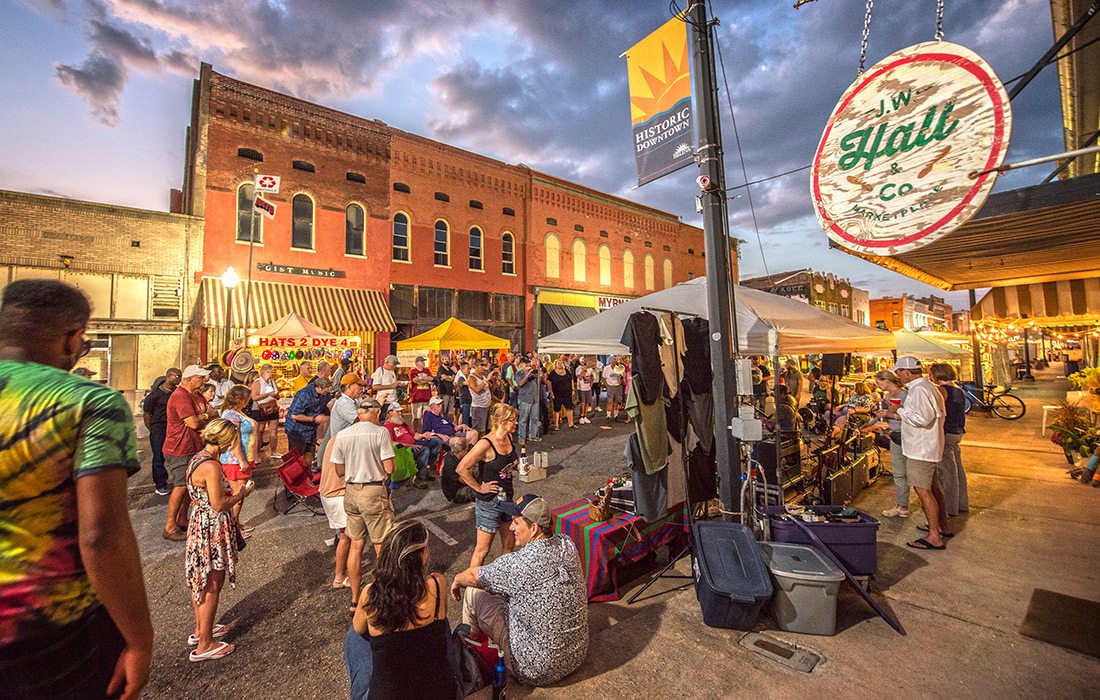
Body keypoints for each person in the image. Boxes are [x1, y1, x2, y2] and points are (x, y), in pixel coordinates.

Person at [0, 279, 152, 699]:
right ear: (72, 338)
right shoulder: (88, 401)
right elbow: (101, 534)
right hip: (48, 631)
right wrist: (138, 638)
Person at [450, 494, 588, 687]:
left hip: (534, 668)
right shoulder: (567, 544)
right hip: (575, 656)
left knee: (474, 593)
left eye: (516, 522)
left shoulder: (519, 564)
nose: (511, 528)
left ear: (533, 528)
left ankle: (469, 655)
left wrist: (456, 579)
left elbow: (473, 577)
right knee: (500, 592)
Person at [345, 519, 461, 699]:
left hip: (389, 694)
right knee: (441, 623)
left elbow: (359, 630)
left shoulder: (370, 594)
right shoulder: (437, 584)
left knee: (354, 636)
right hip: (443, 693)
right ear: (419, 556)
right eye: (426, 549)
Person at [185, 419, 254, 662]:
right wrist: (242, 494)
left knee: (200, 578)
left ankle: (201, 629)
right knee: (213, 583)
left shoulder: (197, 458)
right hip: (212, 527)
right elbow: (218, 504)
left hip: (199, 523)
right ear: (224, 441)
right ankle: (205, 644)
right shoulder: (212, 467)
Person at [327, 399, 396, 609]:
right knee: (381, 544)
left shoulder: (343, 435)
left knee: (356, 544)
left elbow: (338, 470)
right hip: (373, 490)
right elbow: (390, 468)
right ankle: (385, 594)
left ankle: (355, 599)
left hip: (351, 491)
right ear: (375, 412)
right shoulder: (380, 432)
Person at [877, 357, 948, 550]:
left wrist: (900, 411)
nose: (897, 376)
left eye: (898, 372)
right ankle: (941, 525)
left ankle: (934, 536)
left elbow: (922, 418)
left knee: (922, 490)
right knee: (933, 487)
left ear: (907, 373)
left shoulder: (919, 390)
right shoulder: (928, 387)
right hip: (928, 445)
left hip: (921, 447)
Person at [321, 398, 381, 591]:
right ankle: (340, 577)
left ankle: (343, 575)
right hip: (337, 492)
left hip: (329, 491)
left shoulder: (338, 438)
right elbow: (344, 471)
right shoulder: (350, 439)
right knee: (349, 537)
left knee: (346, 536)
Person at [457, 404, 520, 568]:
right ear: (502, 421)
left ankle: (503, 580)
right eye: (513, 420)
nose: (516, 423)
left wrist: (519, 466)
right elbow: (462, 468)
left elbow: (507, 462)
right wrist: (478, 488)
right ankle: (472, 589)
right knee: (482, 551)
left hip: (507, 499)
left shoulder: (509, 438)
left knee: (509, 545)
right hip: (489, 503)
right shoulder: (485, 444)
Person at [163, 364, 212, 542]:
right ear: (189, 379)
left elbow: (212, 411)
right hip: (180, 448)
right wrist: (204, 416)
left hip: (193, 446)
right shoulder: (180, 396)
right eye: (200, 377)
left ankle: (182, 518)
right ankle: (169, 526)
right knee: (180, 486)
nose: (204, 380)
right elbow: (193, 422)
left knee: (189, 487)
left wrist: (205, 416)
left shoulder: (196, 394)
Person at [870, 370, 911, 518]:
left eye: (878, 382)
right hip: (894, 435)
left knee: (913, 473)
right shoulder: (888, 396)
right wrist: (880, 416)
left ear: (887, 380)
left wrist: (889, 414)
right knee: (899, 472)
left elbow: (911, 416)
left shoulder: (905, 395)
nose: (877, 385)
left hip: (908, 435)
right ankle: (902, 506)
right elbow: (887, 415)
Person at [930, 363, 969, 517]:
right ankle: (961, 503)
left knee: (946, 472)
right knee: (957, 469)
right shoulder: (958, 390)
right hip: (957, 431)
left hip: (946, 432)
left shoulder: (942, 390)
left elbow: (936, 411)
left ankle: (948, 508)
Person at [218, 385, 258, 533]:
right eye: (246, 398)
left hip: (242, 457)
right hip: (234, 460)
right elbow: (234, 439)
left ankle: (236, 523)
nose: (249, 401)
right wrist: (241, 460)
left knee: (240, 493)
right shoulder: (230, 415)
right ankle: (233, 528)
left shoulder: (236, 412)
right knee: (238, 494)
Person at [144, 366, 181, 496]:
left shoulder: (176, 393)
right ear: (169, 376)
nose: (179, 380)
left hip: (173, 428)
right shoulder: (154, 396)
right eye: (177, 377)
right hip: (158, 429)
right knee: (158, 457)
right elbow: (147, 414)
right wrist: (153, 429)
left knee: (176, 455)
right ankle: (160, 484)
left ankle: (178, 480)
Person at [383, 403, 438, 489]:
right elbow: (391, 442)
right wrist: (409, 445)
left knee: (435, 441)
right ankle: (419, 478)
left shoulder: (402, 422)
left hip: (414, 443)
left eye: (401, 411)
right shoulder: (387, 426)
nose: (400, 413)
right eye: (397, 411)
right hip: (403, 450)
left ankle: (425, 468)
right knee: (425, 450)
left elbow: (414, 435)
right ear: (390, 412)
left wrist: (423, 435)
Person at [318, 372, 366, 470]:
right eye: (359, 385)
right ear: (349, 386)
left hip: (346, 445)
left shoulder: (352, 401)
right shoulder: (345, 403)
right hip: (344, 448)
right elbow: (360, 421)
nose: (361, 388)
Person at [284, 376, 332, 468]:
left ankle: (307, 473)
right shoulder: (304, 395)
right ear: (318, 387)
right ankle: (293, 477)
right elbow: (295, 415)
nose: (327, 392)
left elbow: (322, 406)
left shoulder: (323, 394)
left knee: (310, 452)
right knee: (296, 456)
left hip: (310, 429)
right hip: (297, 430)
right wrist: (314, 418)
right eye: (325, 390)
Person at [250, 363, 281, 467]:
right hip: (261, 408)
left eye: (271, 371)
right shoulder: (257, 383)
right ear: (262, 372)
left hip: (272, 406)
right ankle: (256, 455)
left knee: (273, 430)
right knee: (259, 431)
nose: (270, 374)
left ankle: (273, 451)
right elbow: (254, 397)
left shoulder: (272, 382)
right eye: (268, 371)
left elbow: (278, 396)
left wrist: (276, 395)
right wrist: (267, 394)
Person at [441, 436, 477, 504]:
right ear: (462, 451)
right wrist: (470, 463)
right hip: (456, 492)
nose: (469, 449)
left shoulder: (456, 455)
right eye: (467, 448)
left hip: (462, 485)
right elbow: (464, 480)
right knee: (481, 493)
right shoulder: (450, 462)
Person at [515, 356, 540, 446]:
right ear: (521, 364)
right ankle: (521, 438)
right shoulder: (519, 373)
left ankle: (532, 435)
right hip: (525, 399)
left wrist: (538, 372)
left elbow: (540, 380)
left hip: (534, 398)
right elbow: (520, 384)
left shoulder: (533, 373)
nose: (528, 365)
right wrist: (527, 375)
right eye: (526, 364)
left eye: (528, 363)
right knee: (523, 419)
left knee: (534, 418)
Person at [547, 358, 576, 430]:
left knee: (569, 408)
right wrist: (551, 392)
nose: (560, 364)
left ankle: (571, 423)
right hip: (557, 394)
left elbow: (571, 380)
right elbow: (549, 382)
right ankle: (556, 425)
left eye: (561, 363)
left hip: (567, 393)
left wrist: (573, 389)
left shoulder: (567, 371)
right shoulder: (553, 373)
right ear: (555, 364)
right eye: (558, 363)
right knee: (557, 409)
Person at [468, 360, 492, 433]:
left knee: (487, 430)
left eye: (484, 366)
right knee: (479, 431)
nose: (483, 368)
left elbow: (489, 390)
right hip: (479, 407)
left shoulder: (483, 377)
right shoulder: (472, 378)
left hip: (487, 406)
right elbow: (476, 389)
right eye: (481, 366)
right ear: (475, 367)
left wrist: (493, 380)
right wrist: (487, 380)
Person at [408, 356, 434, 426]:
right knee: (416, 417)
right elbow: (415, 381)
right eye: (421, 361)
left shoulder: (427, 370)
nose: (423, 362)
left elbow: (431, 379)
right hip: (416, 397)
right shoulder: (413, 371)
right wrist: (426, 381)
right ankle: (416, 432)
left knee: (426, 417)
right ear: (417, 363)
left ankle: (424, 431)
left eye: (423, 361)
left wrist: (421, 378)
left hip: (427, 397)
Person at [603, 357, 625, 422]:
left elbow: (622, 378)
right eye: (614, 361)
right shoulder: (607, 368)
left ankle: (616, 416)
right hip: (610, 386)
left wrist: (621, 378)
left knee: (617, 402)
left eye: (616, 361)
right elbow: (603, 378)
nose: (615, 362)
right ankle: (608, 416)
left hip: (618, 386)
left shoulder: (620, 368)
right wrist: (607, 386)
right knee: (610, 402)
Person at [435, 354, 457, 420]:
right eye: (445, 359)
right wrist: (450, 378)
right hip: (443, 392)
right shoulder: (441, 368)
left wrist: (449, 378)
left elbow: (454, 377)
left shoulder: (450, 370)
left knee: (450, 411)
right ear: (442, 360)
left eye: (448, 359)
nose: (447, 360)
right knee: (443, 410)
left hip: (450, 392)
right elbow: (444, 377)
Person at [575, 356, 594, 424]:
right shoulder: (578, 368)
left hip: (588, 388)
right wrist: (583, 370)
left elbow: (592, 376)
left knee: (587, 402)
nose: (583, 361)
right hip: (581, 388)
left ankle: (585, 416)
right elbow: (579, 377)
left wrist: (591, 383)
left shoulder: (590, 368)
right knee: (582, 402)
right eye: (582, 359)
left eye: (584, 359)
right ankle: (581, 416)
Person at [455, 360, 473, 427]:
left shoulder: (467, 377)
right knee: (465, 421)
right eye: (468, 369)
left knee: (469, 419)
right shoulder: (461, 378)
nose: (469, 370)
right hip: (465, 402)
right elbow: (465, 383)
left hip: (469, 402)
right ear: (462, 369)